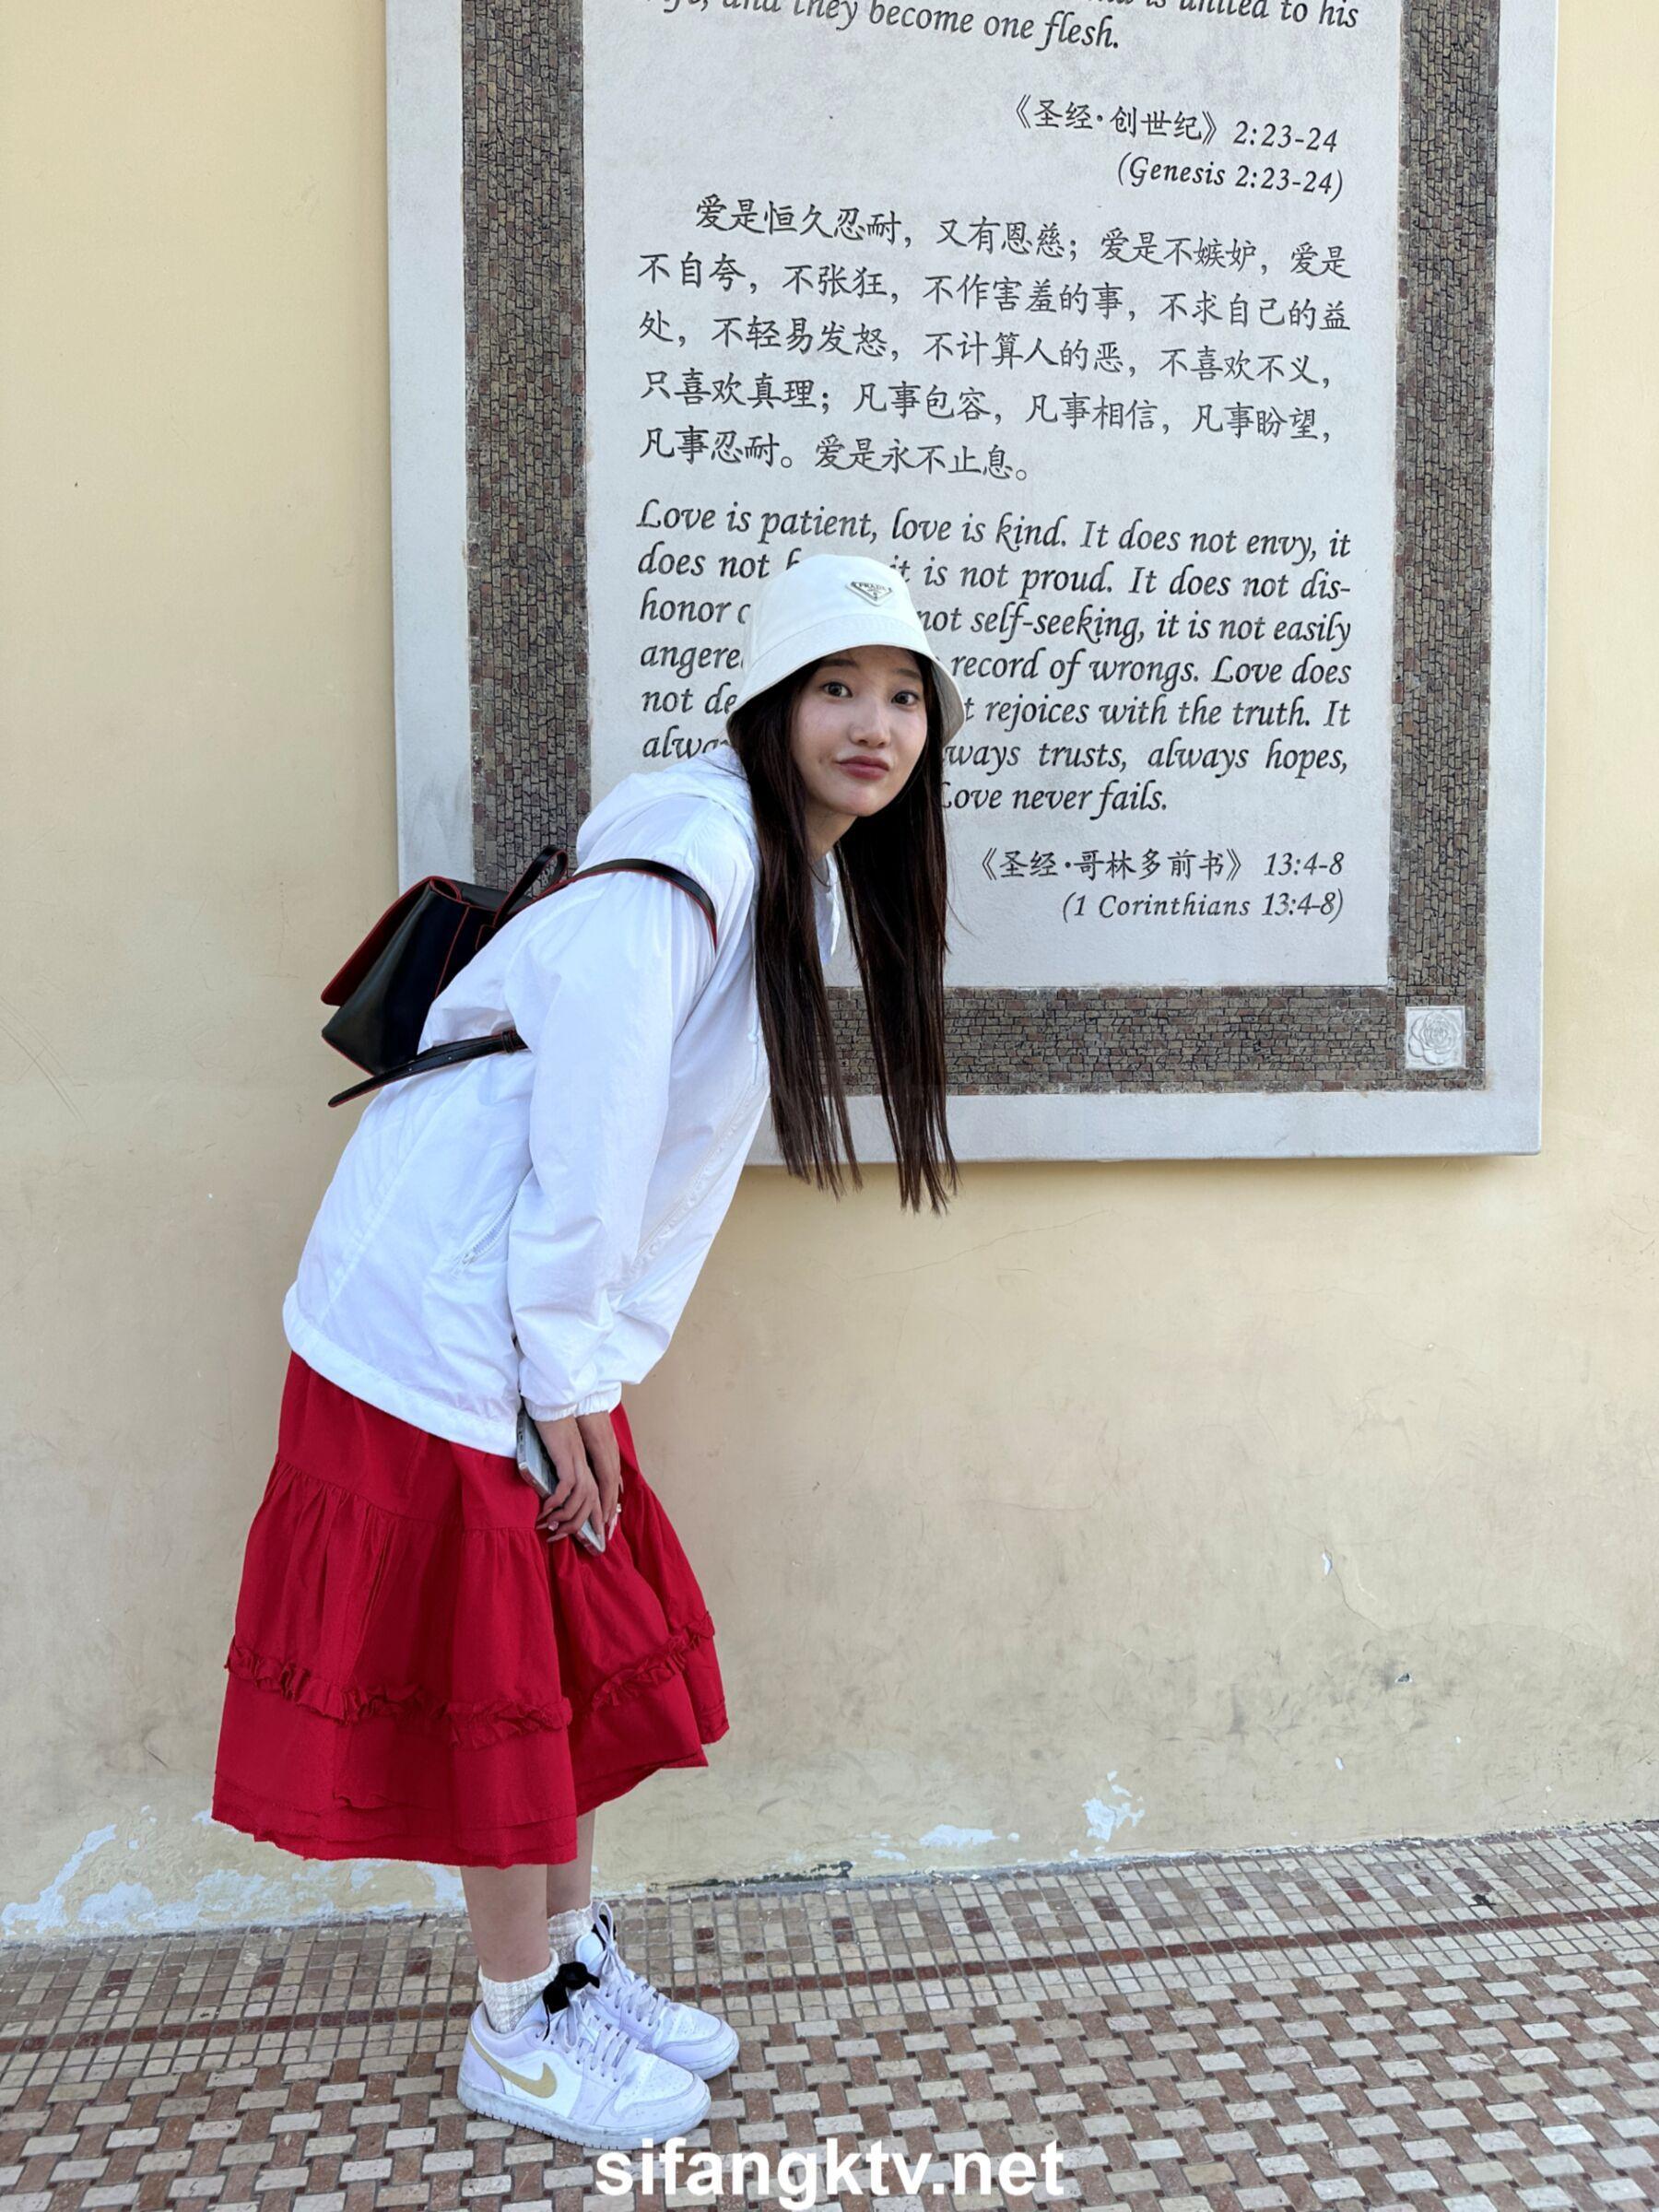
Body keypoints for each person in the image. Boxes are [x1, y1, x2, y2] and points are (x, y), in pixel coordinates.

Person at [209, 551, 965, 2150]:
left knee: (550, 1650)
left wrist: (586, 1372)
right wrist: (567, 1382)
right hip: (442, 1320)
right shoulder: (687, 865)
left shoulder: (780, 869)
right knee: (496, 1670)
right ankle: (513, 2027)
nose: (874, 725)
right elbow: (593, 1145)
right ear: (769, 706)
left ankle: (562, 1966)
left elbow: (647, 1168)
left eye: (905, 697)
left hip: (519, 1312)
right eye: (837, 688)